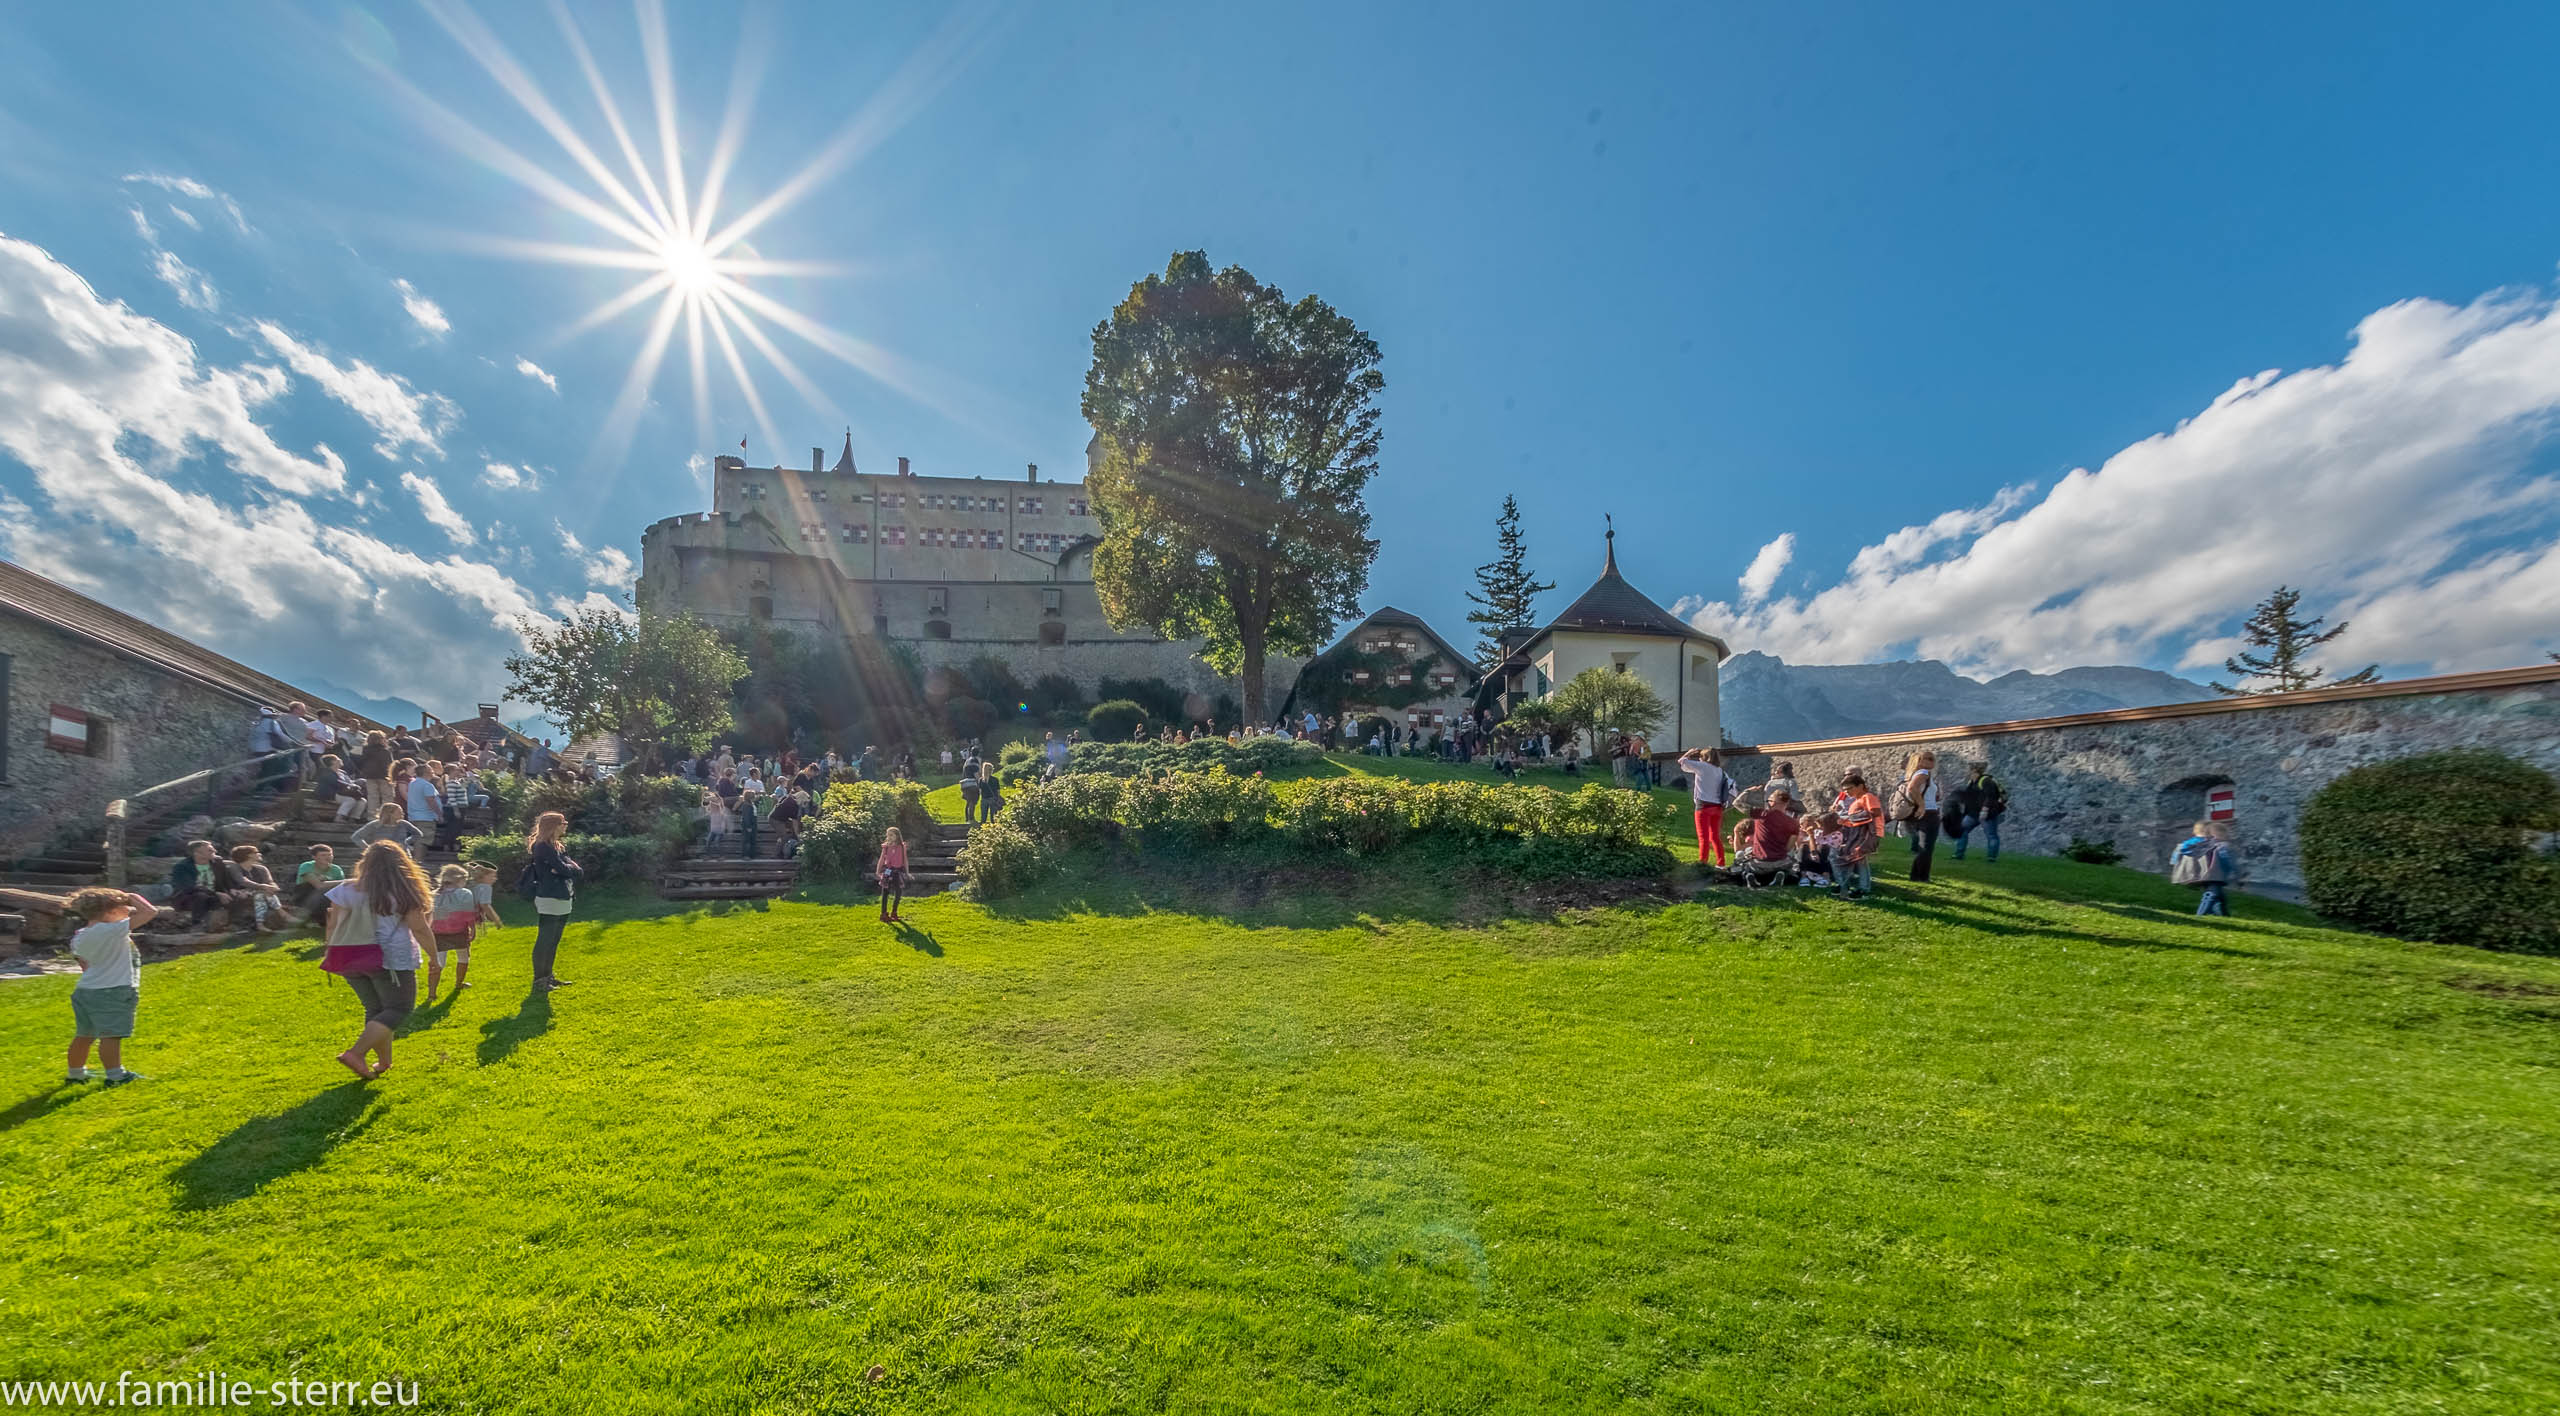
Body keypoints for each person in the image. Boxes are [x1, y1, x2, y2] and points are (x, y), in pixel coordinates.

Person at [321, 841, 435, 1080]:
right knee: (399, 1008)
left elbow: (332, 923)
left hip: (348, 953)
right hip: (389, 958)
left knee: (376, 1009)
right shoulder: (403, 890)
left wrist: (330, 950)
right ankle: (356, 1053)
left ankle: (383, 1062)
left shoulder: (346, 888)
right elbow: (420, 928)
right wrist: (434, 956)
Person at [65, 887, 158, 1085]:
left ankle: (75, 1073)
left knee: (84, 1034)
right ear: (110, 911)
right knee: (111, 1035)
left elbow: (84, 965)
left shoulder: (80, 936)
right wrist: (132, 896)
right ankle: (116, 1075)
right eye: (124, 906)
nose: (129, 909)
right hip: (113, 990)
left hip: (86, 991)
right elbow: (150, 912)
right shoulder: (111, 930)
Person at [523, 811, 584, 990]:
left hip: (564, 895)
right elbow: (565, 869)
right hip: (549, 897)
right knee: (545, 939)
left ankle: (548, 976)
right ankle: (539, 980)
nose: (566, 825)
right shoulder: (542, 847)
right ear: (554, 826)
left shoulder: (558, 846)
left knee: (554, 939)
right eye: (563, 823)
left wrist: (567, 868)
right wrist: (567, 868)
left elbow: (576, 870)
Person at [427, 863, 479, 1002]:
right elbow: (469, 914)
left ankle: (431, 994)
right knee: (463, 958)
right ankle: (458, 984)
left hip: (437, 933)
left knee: (437, 962)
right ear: (459, 879)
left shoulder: (433, 895)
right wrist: (472, 929)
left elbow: (428, 915)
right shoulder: (465, 894)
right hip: (459, 932)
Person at [1675, 749, 1735, 866]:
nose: (1699, 759)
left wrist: (1690, 752)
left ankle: (1703, 863)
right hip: (1717, 807)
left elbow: (1682, 761)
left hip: (1703, 806)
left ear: (1704, 757)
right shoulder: (1719, 770)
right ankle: (1721, 862)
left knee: (1703, 837)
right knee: (1715, 837)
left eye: (1700, 757)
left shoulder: (1702, 766)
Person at [1831, 771, 1884, 898]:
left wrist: (1850, 818)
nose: (1847, 792)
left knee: (1860, 859)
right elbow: (1856, 820)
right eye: (1845, 790)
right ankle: (1846, 884)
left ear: (1860, 786)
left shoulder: (1868, 796)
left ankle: (1863, 888)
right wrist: (1844, 820)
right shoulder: (1856, 800)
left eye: (1849, 788)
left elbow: (1875, 812)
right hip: (1857, 833)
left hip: (1868, 833)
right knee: (1853, 858)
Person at [168, 840, 241, 929]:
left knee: (235, 896)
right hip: (188, 897)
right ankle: (197, 924)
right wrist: (216, 894)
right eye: (210, 850)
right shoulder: (182, 867)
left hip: (214, 894)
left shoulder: (217, 861)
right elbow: (189, 887)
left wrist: (232, 889)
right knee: (201, 896)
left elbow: (226, 879)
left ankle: (233, 923)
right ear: (197, 853)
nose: (215, 851)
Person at [1730, 787, 1802, 877]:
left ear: (1772, 803)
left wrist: (1748, 791)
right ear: (1786, 803)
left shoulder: (1761, 814)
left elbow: (1737, 803)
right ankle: (1778, 876)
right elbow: (1788, 847)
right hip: (1781, 863)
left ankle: (1753, 877)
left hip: (1759, 863)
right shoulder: (1794, 823)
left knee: (1742, 860)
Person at [2172, 821, 2237, 916]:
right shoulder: (2217, 845)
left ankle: (2222, 914)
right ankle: (2201, 914)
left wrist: (2175, 862)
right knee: (2212, 894)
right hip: (2214, 874)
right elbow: (2225, 859)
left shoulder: (2187, 844)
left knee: (2220, 895)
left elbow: (2177, 855)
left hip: (2198, 874)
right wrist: (2232, 870)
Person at [1899, 751, 1943, 883]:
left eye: (1933, 758)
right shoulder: (1923, 773)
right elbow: (1912, 788)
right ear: (1918, 761)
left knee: (1923, 846)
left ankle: (1917, 875)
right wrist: (1922, 805)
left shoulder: (1915, 774)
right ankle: (1922, 877)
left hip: (1922, 813)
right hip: (1928, 813)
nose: (1932, 761)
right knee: (1926, 847)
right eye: (1928, 759)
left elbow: (1916, 789)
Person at [1949, 765, 2006, 862]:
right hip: (1973, 814)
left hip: (1987, 814)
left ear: (1975, 771)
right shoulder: (1972, 782)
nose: (1967, 772)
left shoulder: (1986, 781)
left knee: (1991, 835)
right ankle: (1959, 854)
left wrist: (1985, 810)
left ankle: (1991, 857)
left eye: (1969, 770)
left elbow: (1991, 796)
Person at [227, 844, 285, 930]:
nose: (260, 854)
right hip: (241, 894)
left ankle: (260, 925)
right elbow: (242, 881)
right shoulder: (234, 867)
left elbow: (270, 882)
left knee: (260, 895)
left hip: (260, 893)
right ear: (249, 855)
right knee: (261, 893)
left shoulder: (262, 869)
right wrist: (263, 886)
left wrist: (273, 887)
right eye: (256, 852)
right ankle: (283, 914)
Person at [291, 844, 346, 928]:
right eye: (323, 855)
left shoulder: (336, 869)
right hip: (305, 896)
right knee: (323, 890)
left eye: (330, 854)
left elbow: (342, 887)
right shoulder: (306, 866)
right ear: (314, 857)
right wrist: (345, 881)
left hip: (327, 897)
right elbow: (319, 886)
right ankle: (316, 919)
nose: (327, 857)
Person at [352, 802, 425, 859]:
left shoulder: (403, 824)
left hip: (402, 855)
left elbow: (418, 834)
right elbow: (356, 837)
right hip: (381, 857)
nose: (402, 814)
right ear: (390, 813)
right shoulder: (375, 825)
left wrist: (405, 842)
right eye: (399, 812)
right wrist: (369, 849)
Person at [353, 730, 396, 817]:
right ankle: (386, 816)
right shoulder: (385, 751)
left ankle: (372, 817)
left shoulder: (364, 750)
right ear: (381, 739)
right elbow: (389, 765)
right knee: (387, 797)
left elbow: (357, 760)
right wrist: (392, 777)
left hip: (369, 776)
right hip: (384, 776)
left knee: (372, 797)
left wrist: (363, 770)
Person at [876, 826, 909, 923]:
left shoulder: (902, 846)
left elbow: (905, 860)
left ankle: (894, 912)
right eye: (888, 835)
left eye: (891, 835)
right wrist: (878, 871)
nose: (889, 837)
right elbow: (882, 859)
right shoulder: (886, 847)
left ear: (897, 836)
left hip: (898, 871)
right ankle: (883, 914)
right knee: (885, 892)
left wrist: (907, 872)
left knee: (898, 893)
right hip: (888, 871)